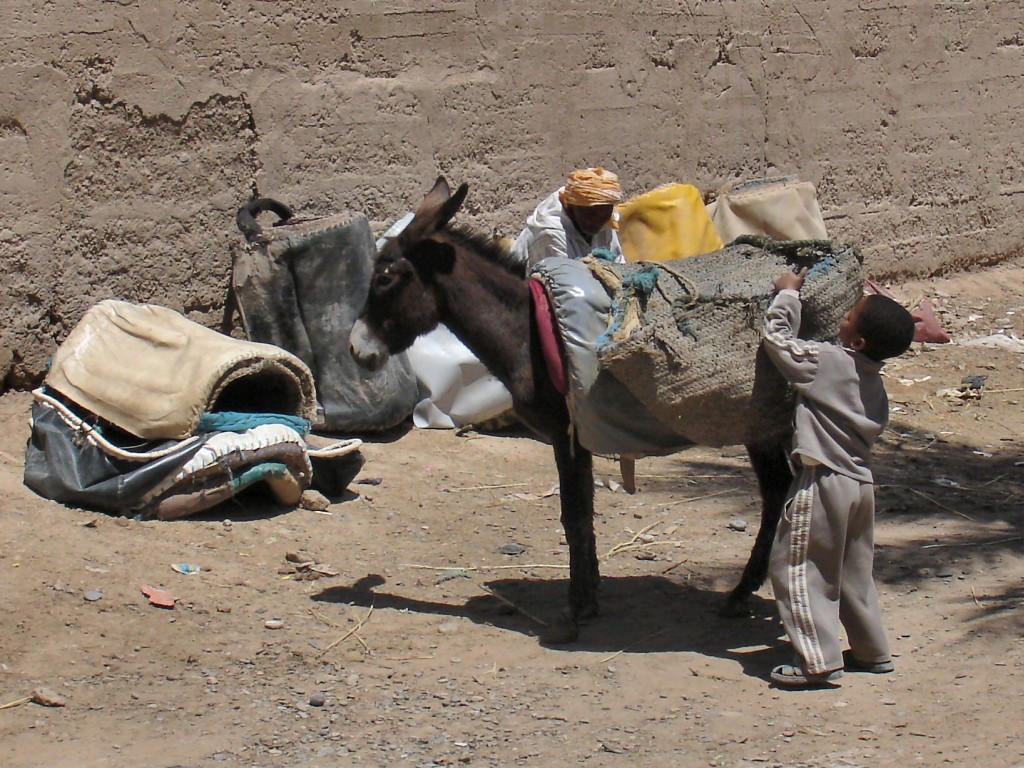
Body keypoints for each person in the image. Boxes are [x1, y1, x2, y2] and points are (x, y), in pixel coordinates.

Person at [762, 267, 916, 689]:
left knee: (800, 566)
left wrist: (787, 296)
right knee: (853, 572)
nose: (842, 318)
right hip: (861, 486)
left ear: (858, 340)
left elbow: (778, 343)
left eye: (849, 315)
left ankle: (817, 660)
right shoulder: (873, 382)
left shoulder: (827, 363)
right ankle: (872, 651)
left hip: (824, 483)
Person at [511, 167, 626, 268]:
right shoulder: (551, 233)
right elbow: (566, 284)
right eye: (590, 214)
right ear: (569, 205)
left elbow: (618, 265)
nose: (597, 221)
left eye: (605, 213)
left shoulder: (605, 219)